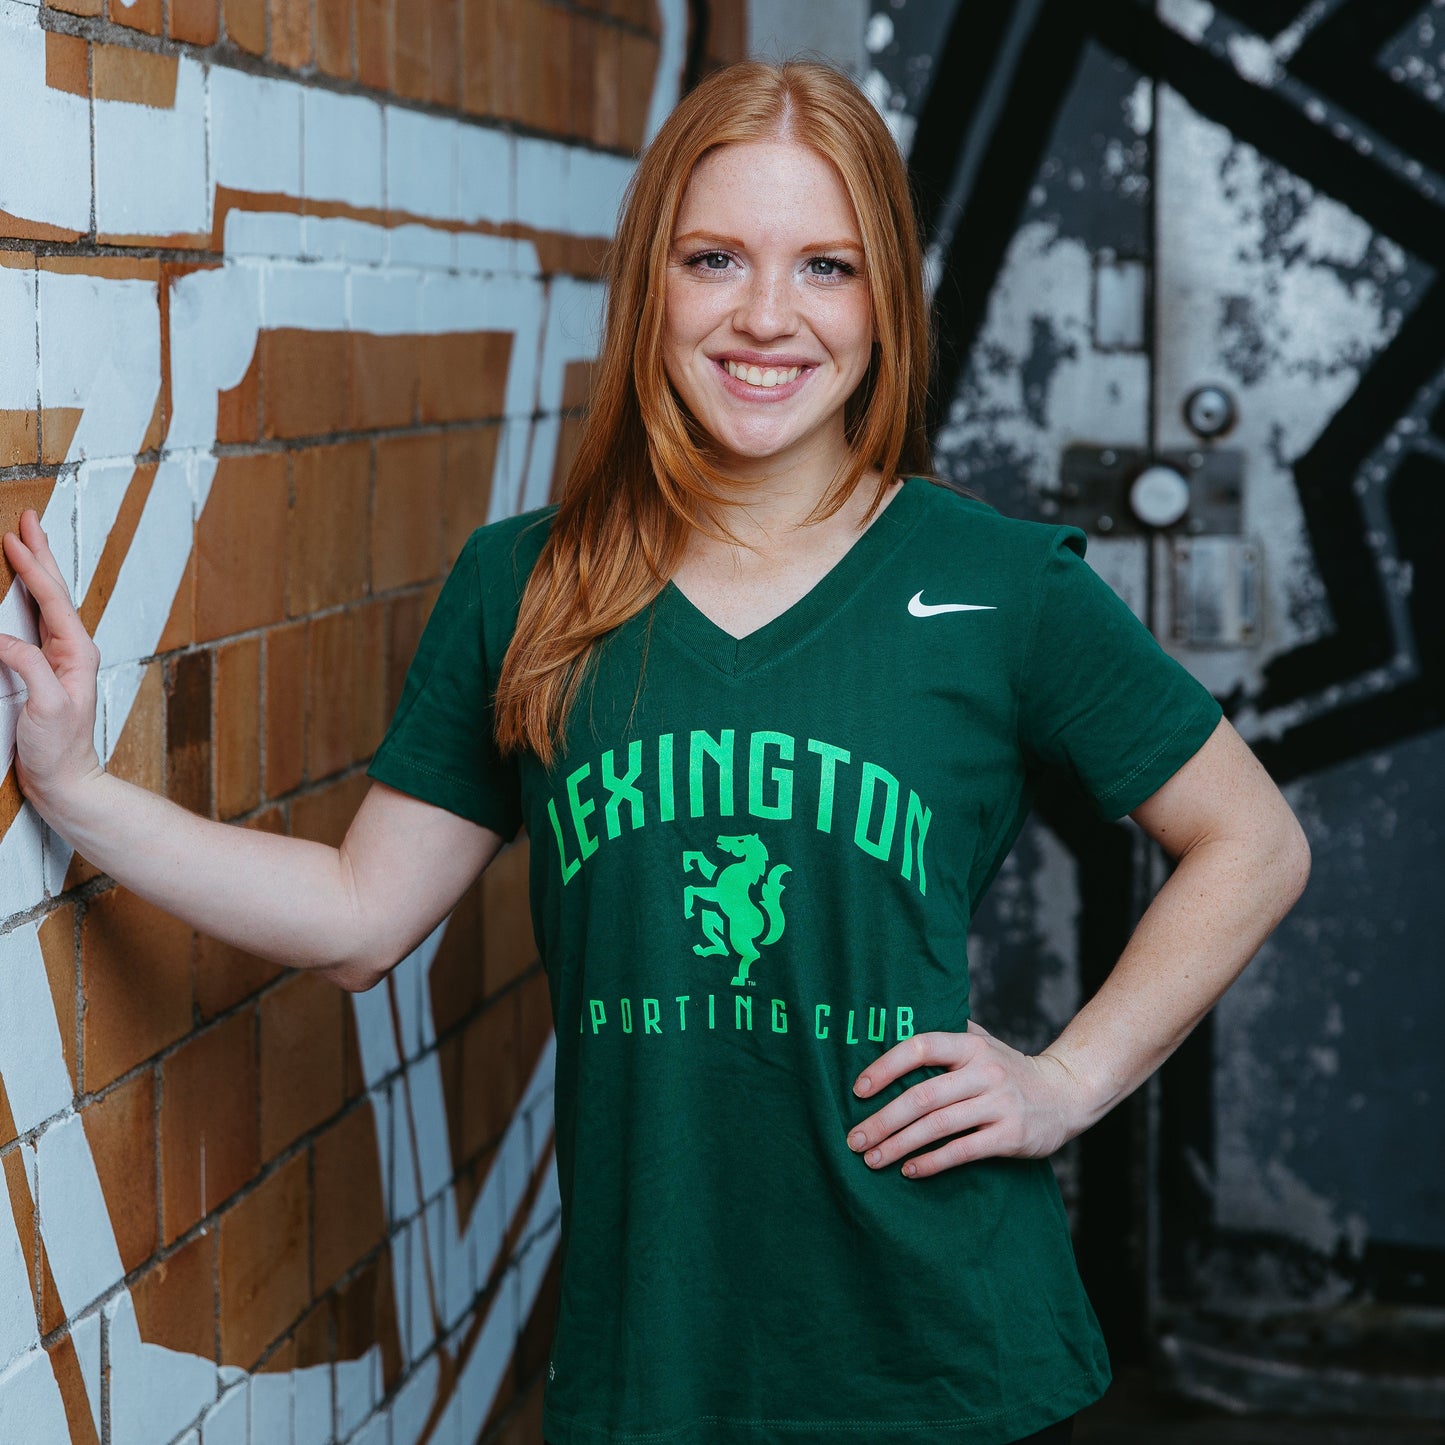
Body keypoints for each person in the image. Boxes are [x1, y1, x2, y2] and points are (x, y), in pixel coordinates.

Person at [0, 59, 1309, 1445]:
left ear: (884, 302)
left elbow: (1252, 842)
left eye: (825, 267)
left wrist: (1065, 1080)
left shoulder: (998, 587)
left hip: (942, 1364)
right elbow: (357, 916)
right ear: (651, 285)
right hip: (653, 1362)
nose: (766, 316)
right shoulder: (527, 587)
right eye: (714, 258)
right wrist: (74, 785)